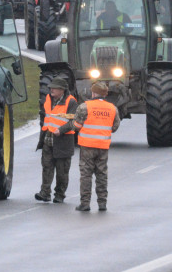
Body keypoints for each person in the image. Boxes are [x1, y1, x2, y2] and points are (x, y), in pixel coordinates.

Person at [56, 80, 120, 212]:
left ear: (94, 92)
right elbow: (114, 127)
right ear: (105, 94)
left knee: (86, 175)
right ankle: (102, 203)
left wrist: (64, 128)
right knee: (102, 174)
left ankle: (85, 203)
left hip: (87, 147)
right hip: (103, 146)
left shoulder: (85, 106)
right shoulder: (112, 108)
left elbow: (77, 126)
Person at [35, 75, 78, 204]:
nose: (51, 90)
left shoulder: (71, 102)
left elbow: (75, 121)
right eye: (51, 88)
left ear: (62, 90)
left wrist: (62, 130)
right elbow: (46, 117)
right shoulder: (48, 99)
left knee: (62, 171)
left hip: (63, 141)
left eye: (54, 88)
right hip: (48, 139)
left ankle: (59, 194)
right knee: (46, 167)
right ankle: (45, 193)